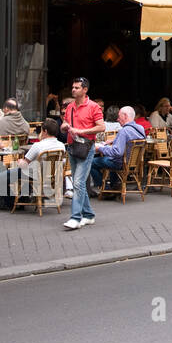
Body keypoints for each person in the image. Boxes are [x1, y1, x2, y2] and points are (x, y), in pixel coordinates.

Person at [62, 76, 106, 230]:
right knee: (78, 183)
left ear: (85, 90)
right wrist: (65, 126)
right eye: (73, 87)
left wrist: (81, 131)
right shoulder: (70, 107)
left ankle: (75, 217)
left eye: (77, 88)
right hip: (73, 146)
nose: (73, 90)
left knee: (79, 183)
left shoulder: (93, 107)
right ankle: (88, 215)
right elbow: (65, 121)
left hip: (86, 147)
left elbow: (101, 127)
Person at [0, 121, 66, 210]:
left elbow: (24, 164)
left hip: (33, 174)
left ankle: (9, 202)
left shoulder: (38, 146)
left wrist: (19, 162)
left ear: (45, 131)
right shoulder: (61, 146)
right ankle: (22, 199)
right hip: (50, 175)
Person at [90, 106, 146, 191]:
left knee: (91, 163)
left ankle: (105, 188)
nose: (117, 119)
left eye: (119, 117)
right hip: (133, 163)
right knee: (112, 159)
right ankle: (114, 185)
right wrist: (114, 140)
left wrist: (100, 148)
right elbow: (130, 142)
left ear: (125, 116)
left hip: (121, 163)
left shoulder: (124, 131)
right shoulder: (140, 128)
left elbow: (117, 152)